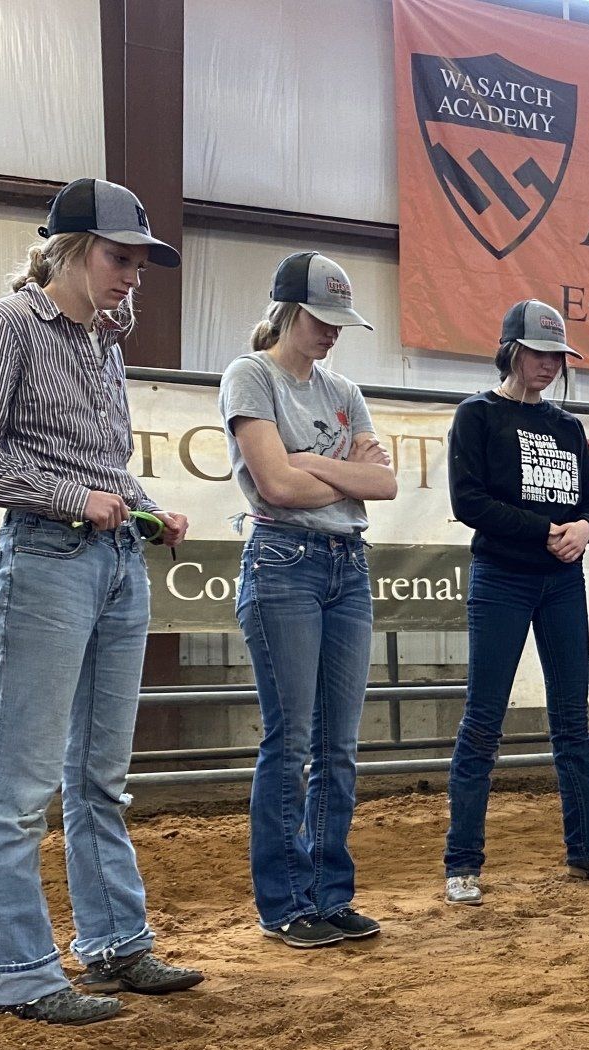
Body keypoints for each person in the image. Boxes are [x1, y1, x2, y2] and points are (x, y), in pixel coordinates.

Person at [0, 178, 204, 1025]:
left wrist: (145, 504)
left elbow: (103, 465)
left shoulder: (103, 343)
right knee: (22, 781)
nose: (133, 276)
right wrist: (69, 498)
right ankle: (16, 970)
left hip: (116, 560)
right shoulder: (6, 324)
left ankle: (116, 944)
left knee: (99, 776)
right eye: (120, 258)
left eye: (139, 264)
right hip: (50, 558)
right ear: (71, 252)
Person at [222, 252, 396, 947]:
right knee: (292, 740)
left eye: (338, 322)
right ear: (289, 311)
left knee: (337, 746)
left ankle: (328, 894)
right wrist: (346, 472)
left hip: (344, 563)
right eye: (322, 319)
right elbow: (276, 487)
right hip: (283, 561)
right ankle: (286, 902)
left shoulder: (343, 389)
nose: (331, 332)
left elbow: (383, 486)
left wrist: (313, 463)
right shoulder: (250, 375)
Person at [442, 299, 589, 904]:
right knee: (484, 720)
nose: (550, 364)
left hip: (561, 582)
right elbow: (468, 502)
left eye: (557, 355)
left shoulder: (567, 427)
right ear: (511, 350)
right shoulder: (477, 415)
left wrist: (584, 528)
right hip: (503, 577)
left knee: (572, 719)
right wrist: (545, 530)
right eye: (539, 352)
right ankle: (462, 863)